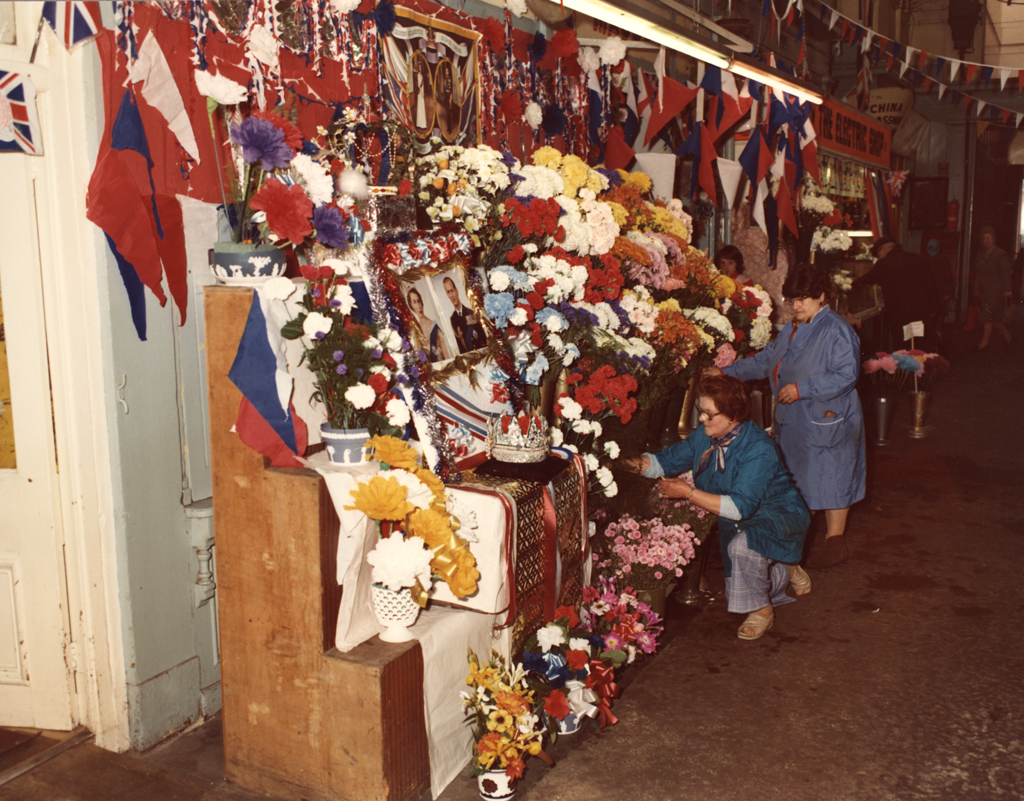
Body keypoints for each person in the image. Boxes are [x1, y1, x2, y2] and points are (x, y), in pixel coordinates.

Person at [621, 375, 810, 641]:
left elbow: (740, 507)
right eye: (700, 411)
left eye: (709, 414)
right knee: (743, 547)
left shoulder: (758, 448)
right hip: (741, 520)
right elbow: (664, 462)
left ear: (734, 415)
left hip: (778, 515)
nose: (701, 419)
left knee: (742, 547)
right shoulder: (705, 436)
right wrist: (616, 464)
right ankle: (785, 564)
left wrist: (687, 492)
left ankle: (763, 610)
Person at [708, 263, 866, 570]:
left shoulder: (836, 330)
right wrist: (726, 372)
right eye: (792, 300)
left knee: (832, 475)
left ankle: (835, 540)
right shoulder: (794, 328)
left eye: (803, 299)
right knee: (804, 478)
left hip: (827, 416)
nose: (796, 306)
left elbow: (846, 374)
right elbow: (768, 360)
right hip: (797, 421)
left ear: (822, 296)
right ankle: (799, 541)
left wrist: (802, 388)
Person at [859, 237, 939, 351]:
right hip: (921, 313)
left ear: (884, 249)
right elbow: (930, 284)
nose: (878, 257)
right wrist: (933, 309)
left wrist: (847, 283)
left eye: (878, 254)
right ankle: (923, 368)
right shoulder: (917, 258)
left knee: (904, 348)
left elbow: (865, 280)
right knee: (922, 346)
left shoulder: (884, 263)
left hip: (900, 315)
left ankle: (907, 369)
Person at [972, 225, 1013, 350]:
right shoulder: (980, 254)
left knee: (986, 316)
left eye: (989, 238)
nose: (987, 241)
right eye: (984, 238)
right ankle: (1008, 336)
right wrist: (977, 289)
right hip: (985, 290)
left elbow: (1006, 272)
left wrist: (1008, 289)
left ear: (994, 239)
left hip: (996, 290)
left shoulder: (1000, 254)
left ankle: (984, 343)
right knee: (995, 319)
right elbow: (979, 273)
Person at [407, 287, 449, 362]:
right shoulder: (416, 331)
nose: (418, 305)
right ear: (411, 305)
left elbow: (446, 354)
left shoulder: (434, 325)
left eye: (418, 301)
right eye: (414, 302)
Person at [444, 275, 479, 353]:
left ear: (457, 291)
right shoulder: (452, 319)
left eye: (452, 290)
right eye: (448, 292)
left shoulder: (470, 312)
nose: (451, 295)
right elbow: (460, 347)